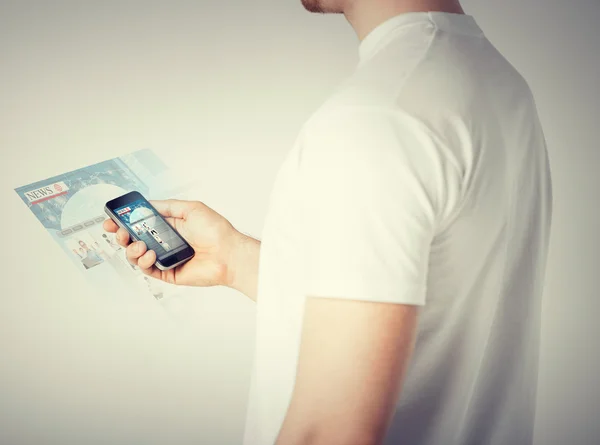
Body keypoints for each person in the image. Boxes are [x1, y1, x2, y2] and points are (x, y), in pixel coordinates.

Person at [104, 0, 553, 444]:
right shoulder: (492, 79)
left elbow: (328, 433)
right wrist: (234, 260)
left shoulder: (375, 119)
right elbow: (431, 304)